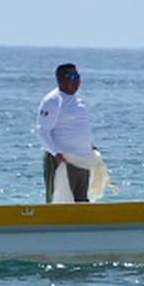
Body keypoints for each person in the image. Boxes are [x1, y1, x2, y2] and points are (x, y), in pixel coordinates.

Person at [36, 62, 99, 203]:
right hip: (61, 160)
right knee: (59, 200)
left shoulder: (78, 100)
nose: (77, 80)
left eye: (78, 76)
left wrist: (92, 145)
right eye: (72, 77)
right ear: (61, 79)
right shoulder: (53, 101)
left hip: (82, 159)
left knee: (81, 201)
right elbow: (42, 131)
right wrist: (56, 154)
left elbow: (81, 126)